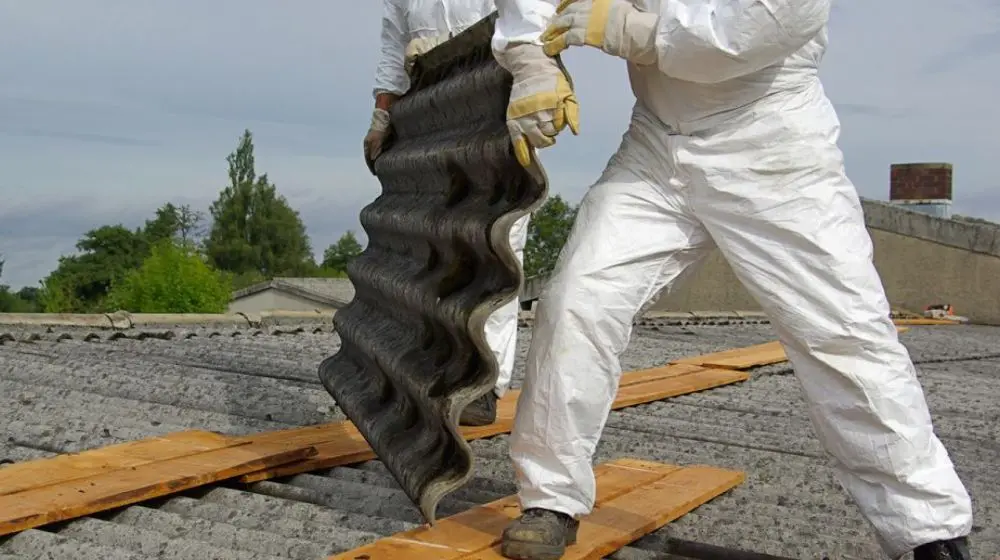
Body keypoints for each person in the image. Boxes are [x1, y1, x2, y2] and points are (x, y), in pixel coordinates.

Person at [488, 1, 975, 559]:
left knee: (843, 335)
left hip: (771, 145)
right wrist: (531, 58)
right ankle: (550, 498)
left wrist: (626, 28)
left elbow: (746, 33)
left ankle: (928, 530)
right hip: (655, 147)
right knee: (577, 301)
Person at [366, 0, 532, 426]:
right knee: (434, 241)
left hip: (497, 98)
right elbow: (393, 45)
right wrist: (383, 113)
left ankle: (484, 383)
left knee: (496, 242)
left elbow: (530, 17)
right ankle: (437, 368)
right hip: (432, 108)